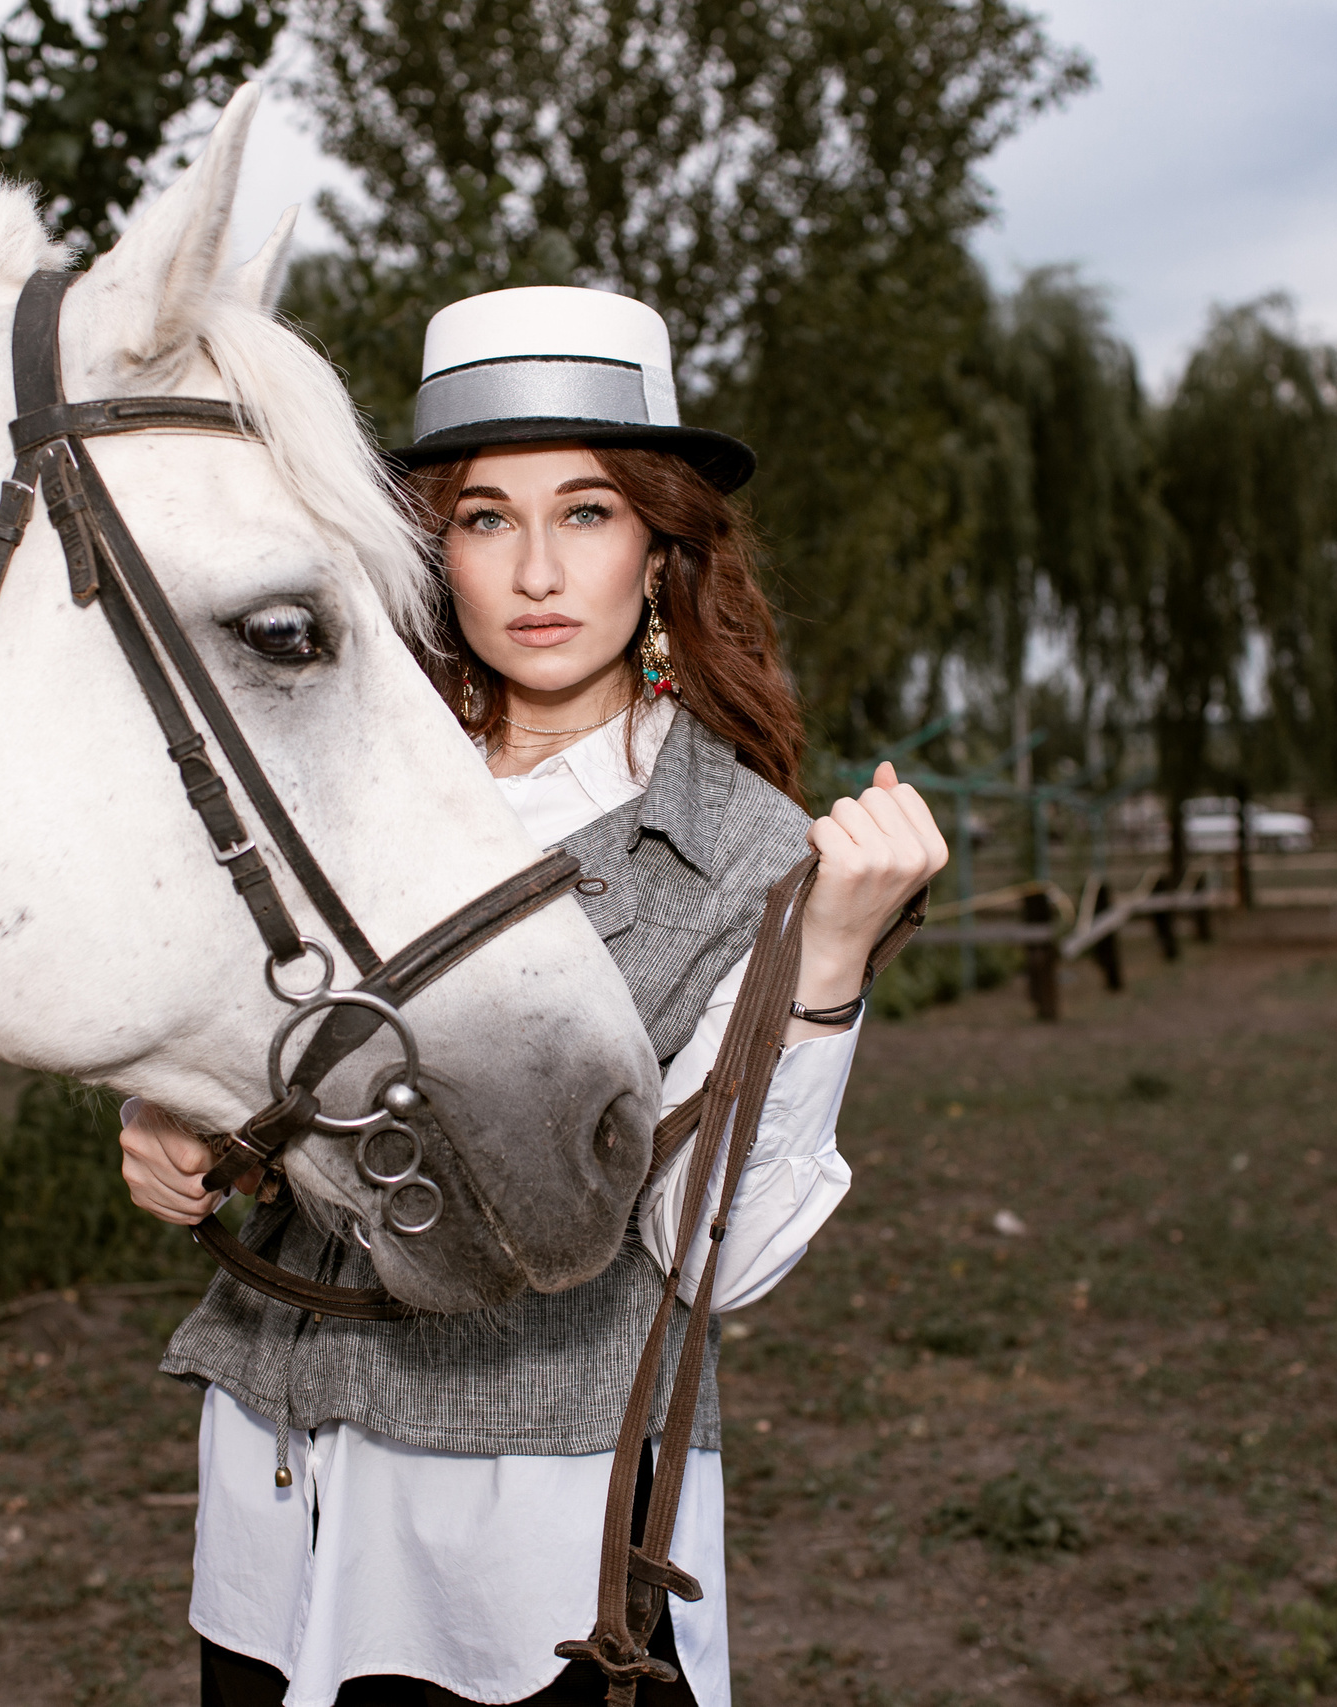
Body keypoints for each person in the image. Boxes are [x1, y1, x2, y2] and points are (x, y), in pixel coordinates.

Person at [119, 285, 947, 1707]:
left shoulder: (744, 851)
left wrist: (821, 971)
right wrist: (174, 1110)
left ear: (660, 545)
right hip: (279, 1477)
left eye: (588, 511)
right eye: (487, 517)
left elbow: (713, 1257)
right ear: (432, 548)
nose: (538, 570)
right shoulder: (338, 783)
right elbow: (256, 1021)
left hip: (524, 1536)